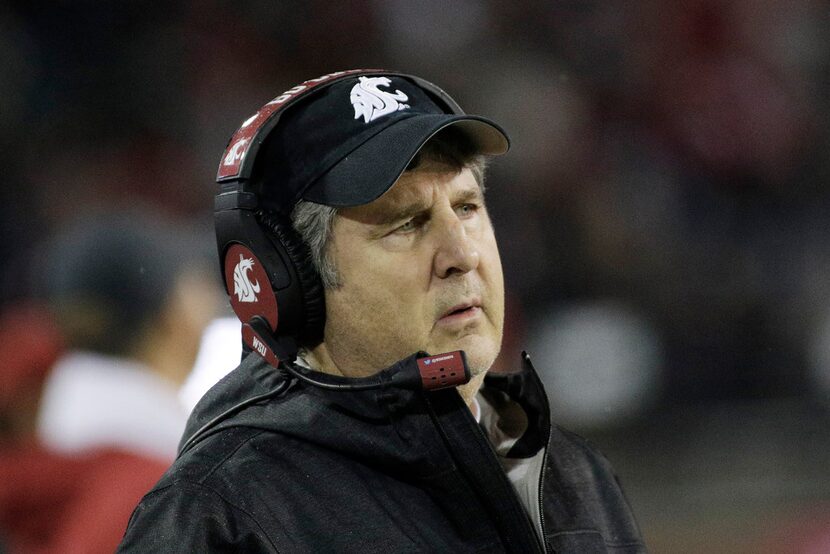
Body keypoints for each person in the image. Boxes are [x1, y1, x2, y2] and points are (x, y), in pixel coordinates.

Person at [118, 70, 647, 553]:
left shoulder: (574, 475)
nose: (462, 256)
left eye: (467, 208)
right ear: (291, 280)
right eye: (407, 224)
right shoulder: (222, 517)